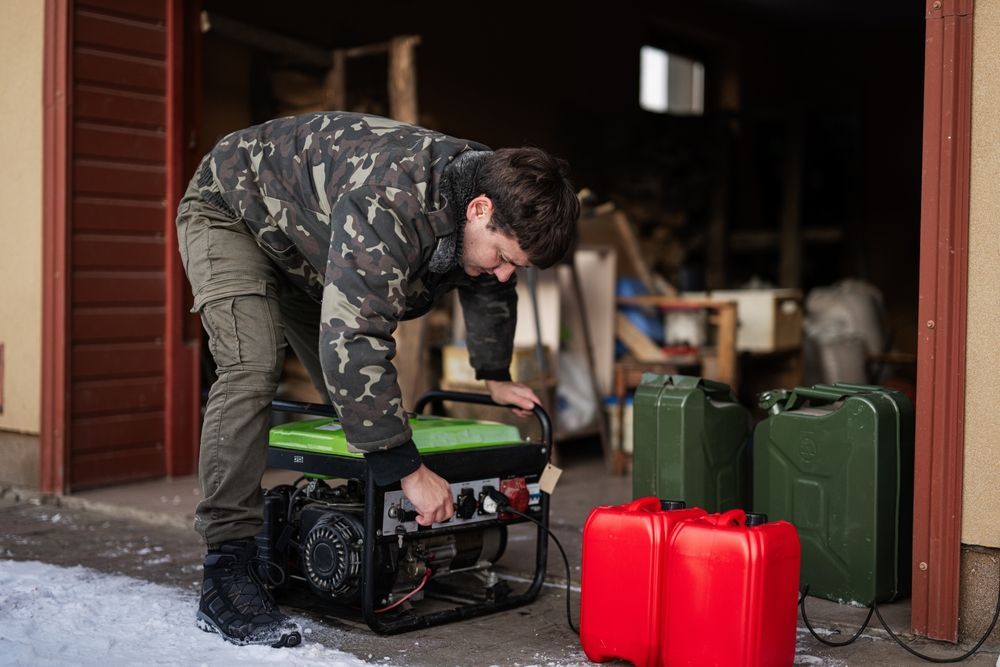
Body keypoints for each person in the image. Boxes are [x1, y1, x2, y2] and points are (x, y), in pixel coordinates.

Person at [175, 111, 579, 647]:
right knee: (253, 367)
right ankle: (227, 567)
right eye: (504, 257)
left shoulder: (493, 189)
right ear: (479, 211)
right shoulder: (393, 198)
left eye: (518, 266)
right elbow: (356, 339)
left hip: (305, 246)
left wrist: (492, 376)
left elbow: (489, 287)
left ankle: (343, 543)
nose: (506, 272)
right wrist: (407, 470)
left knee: (352, 401)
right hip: (230, 210)